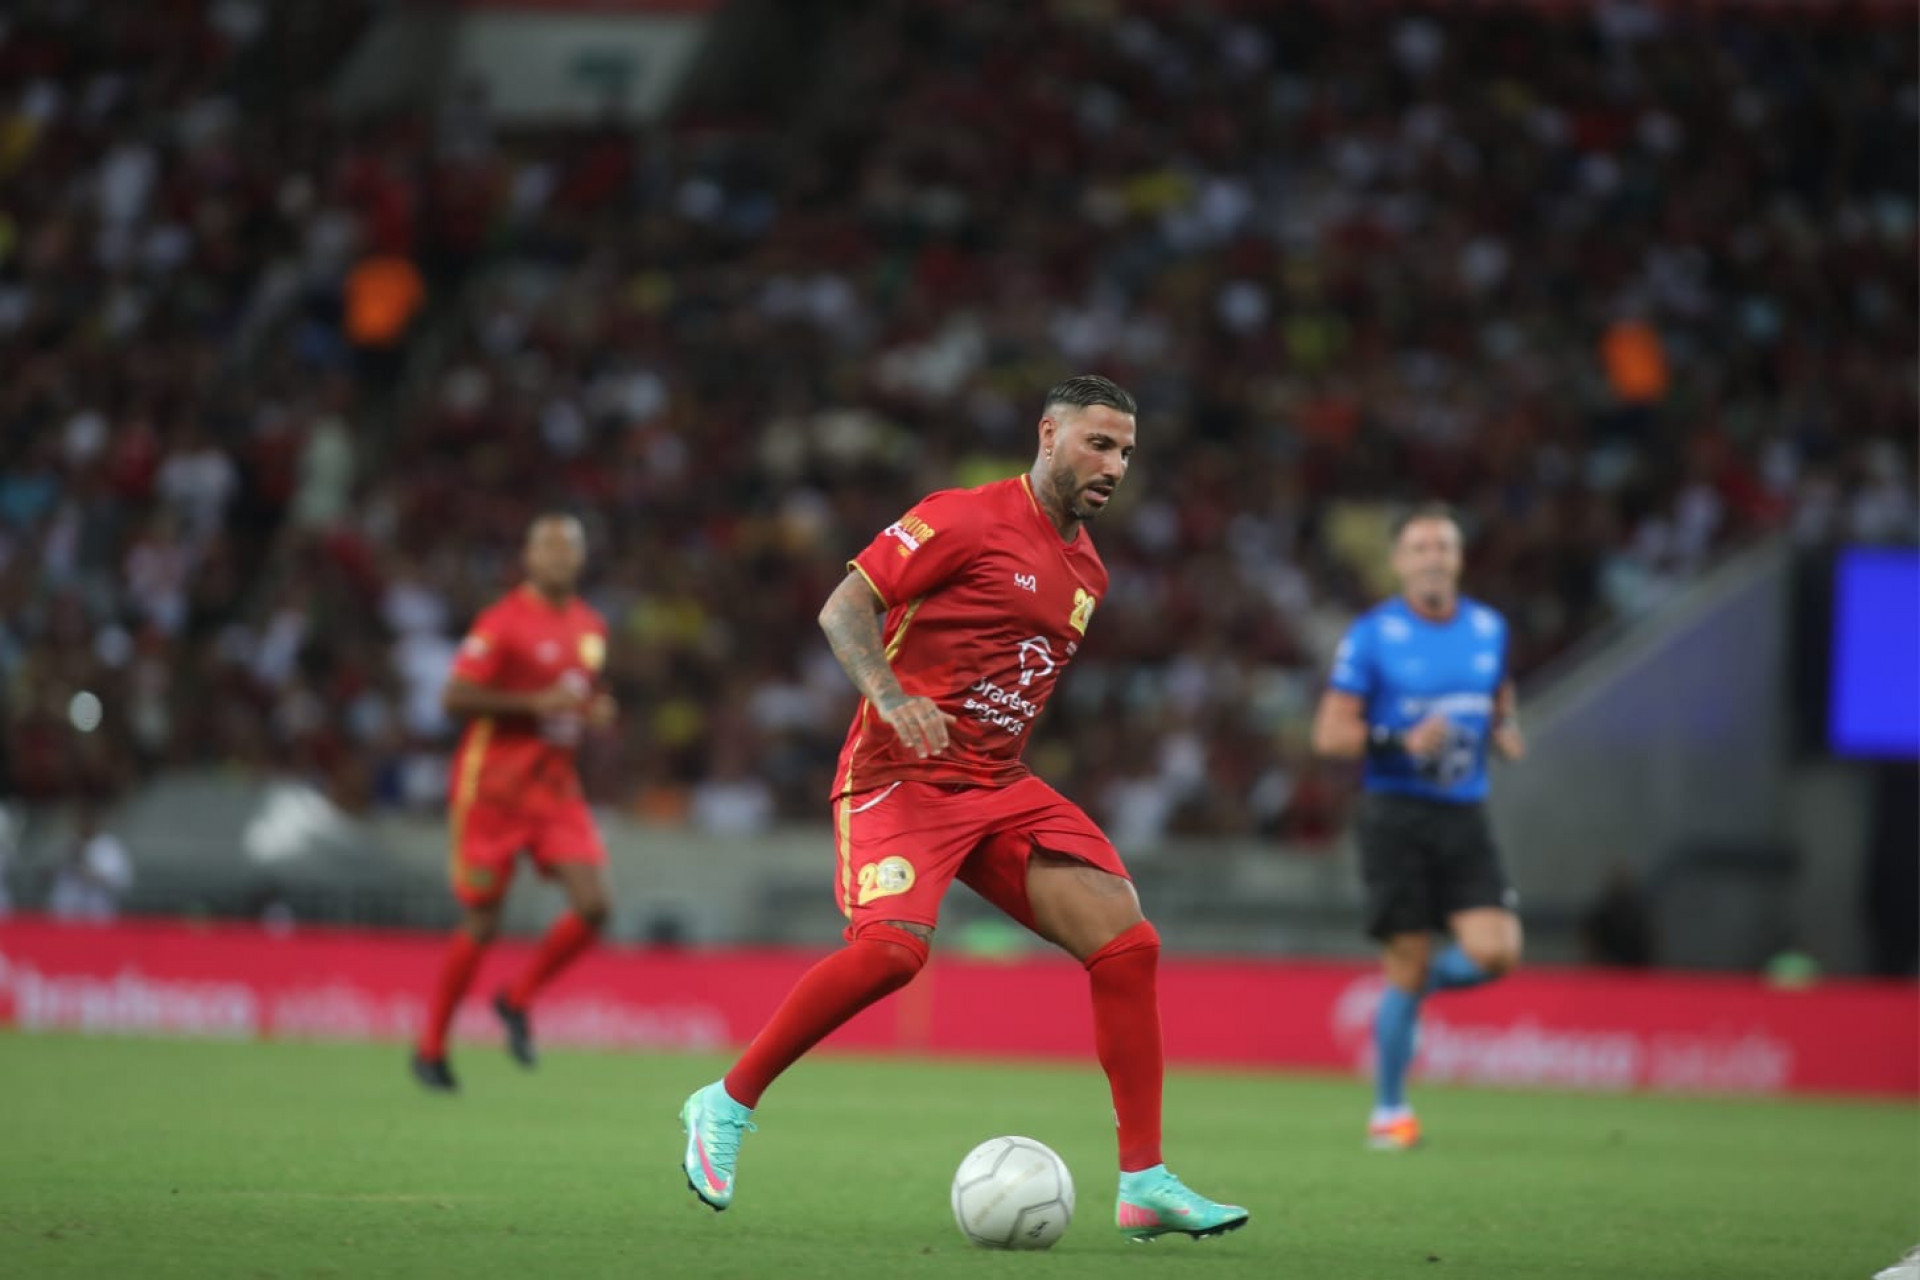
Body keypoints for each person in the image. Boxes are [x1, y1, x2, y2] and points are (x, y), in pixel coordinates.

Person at [677, 375, 1248, 1241]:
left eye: (1127, 451)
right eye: (1099, 443)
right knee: (892, 955)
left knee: (1127, 943)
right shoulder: (965, 516)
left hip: (995, 783)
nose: (1115, 465)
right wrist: (892, 693)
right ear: (1048, 434)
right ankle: (724, 1101)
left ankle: (1145, 1180)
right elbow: (845, 609)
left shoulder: (1089, 568)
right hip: (898, 774)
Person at [1311, 503, 1526, 1151]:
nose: (1433, 556)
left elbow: (1498, 693)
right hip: (1394, 815)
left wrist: (1506, 727)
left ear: (1458, 559)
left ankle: (1412, 993)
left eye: (1443, 546)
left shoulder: (1489, 627)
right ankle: (1389, 1111)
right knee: (1404, 959)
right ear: (1400, 562)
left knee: (1497, 950)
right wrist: (1397, 739)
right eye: (1420, 547)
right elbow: (1329, 734)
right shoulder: (1373, 635)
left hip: (1464, 813)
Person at [411, 514, 616, 1092]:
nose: (556, 557)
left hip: (554, 788)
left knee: (595, 904)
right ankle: (431, 1048)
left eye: (567, 548)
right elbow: (453, 697)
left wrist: (591, 710)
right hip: (494, 788)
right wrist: (536, 702)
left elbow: (574, 696)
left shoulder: (590, 626)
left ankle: (516, 998)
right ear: (527, 558)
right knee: (483, 916)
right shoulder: (502, 622)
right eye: (546, 548)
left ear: (580, 558)